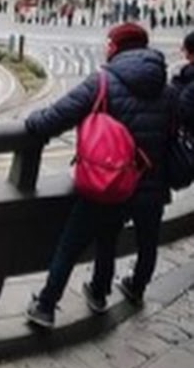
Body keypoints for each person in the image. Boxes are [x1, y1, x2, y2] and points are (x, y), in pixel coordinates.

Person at [25, 22, 172, 328]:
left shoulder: (103, 81)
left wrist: (33, 123)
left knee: (72, 243)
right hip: (152, 184)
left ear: (116, 47)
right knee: (143, 242)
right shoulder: (165, 87)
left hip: (111, 181)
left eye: (109, 43)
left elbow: (54, 118)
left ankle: (46, 305)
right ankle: (121, 289)